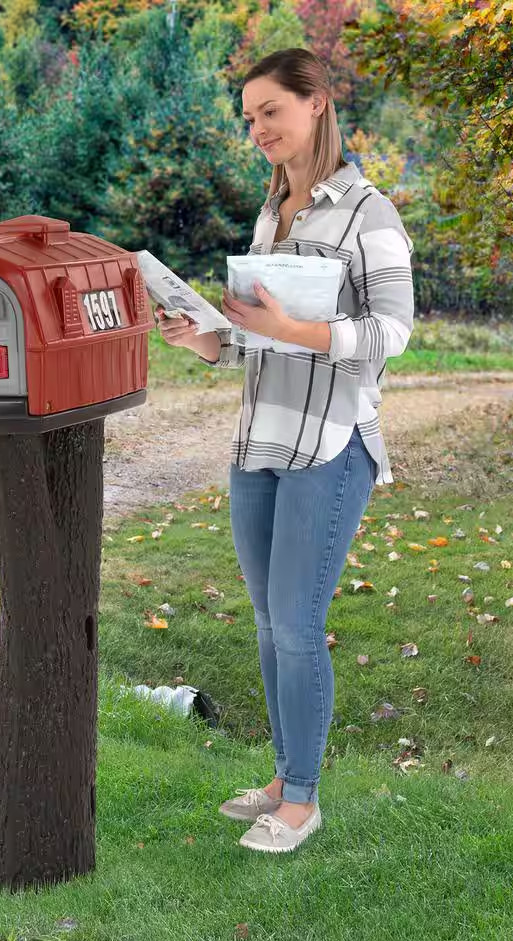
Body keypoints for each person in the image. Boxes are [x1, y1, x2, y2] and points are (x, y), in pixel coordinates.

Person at [154, 48, 415, 854]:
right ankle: (282, 773)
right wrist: (205, 337)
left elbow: (394, 333)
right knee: (269, 623)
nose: (258, 129)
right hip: (259, 437)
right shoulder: (274, 213)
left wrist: (289, 329)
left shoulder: (369, 213)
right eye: (249, 117)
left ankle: (301, 801)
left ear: (316, 104)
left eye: (270, 110)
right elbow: (254, 342)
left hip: (330, 443)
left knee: (299, 625)